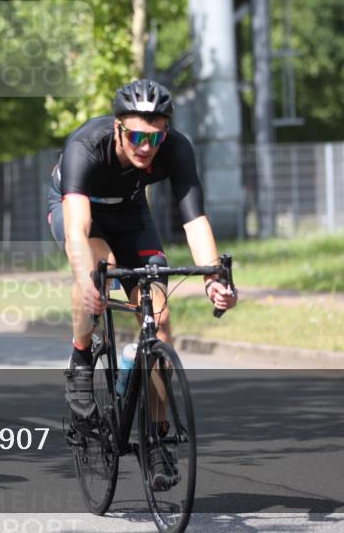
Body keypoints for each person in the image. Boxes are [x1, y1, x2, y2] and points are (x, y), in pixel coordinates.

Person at [47, 79, 237, 486]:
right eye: (135, 135)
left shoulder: (178, 148)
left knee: (160, 317)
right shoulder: (85, 147)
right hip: (80, 212)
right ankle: (81, 361)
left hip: (131, 215)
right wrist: (85, 281)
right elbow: (77, 231)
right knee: (100, 265)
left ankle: (157, 439)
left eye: (155, 137)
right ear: (117, 128)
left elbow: (195, 220)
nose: (145, 146)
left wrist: (212, 279)